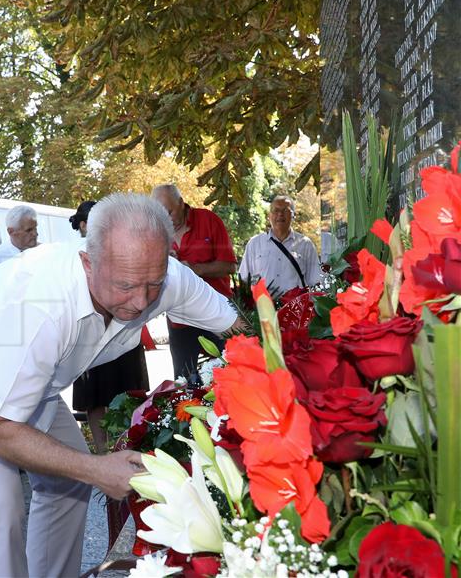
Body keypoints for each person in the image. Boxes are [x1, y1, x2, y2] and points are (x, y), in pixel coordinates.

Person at [0, 193, 240, 577]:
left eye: (153, 285)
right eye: (125, 286)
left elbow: (237, 327)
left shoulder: (165, 276)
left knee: (68, 485)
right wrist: (96, 467)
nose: (140, 302)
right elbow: (0, 432)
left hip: (36, 379)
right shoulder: (43, 304)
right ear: (88, 263)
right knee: (0, 501)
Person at [69, 200, 150, 454]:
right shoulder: (73, 254)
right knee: (95, 397)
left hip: (124, 329)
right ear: (84, 225)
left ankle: (131, 442)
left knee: (129, 390)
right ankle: (104, 451)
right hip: (90, 335)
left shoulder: (120, 244)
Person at [151, 184, 237, 384]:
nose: (165, 219)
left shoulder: (209, 221)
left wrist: (195, 270)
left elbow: (230, 266)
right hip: (180, 318)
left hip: (217, 313)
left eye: (169, 212)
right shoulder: (156, 231)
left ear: (181, 203)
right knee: (184, 382)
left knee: (227, 375)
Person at [239, 195, 321, 294]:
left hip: (295, 307)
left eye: (285, 211)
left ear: (293, 215)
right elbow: (244, 280)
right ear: (269, 216)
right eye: (276, 210)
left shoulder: (305, 245)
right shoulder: (254, 244)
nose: (280, 214)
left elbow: (315, 281)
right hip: (262, 307)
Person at [0, 205, 38, 273]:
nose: (35, 233)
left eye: (35, 228)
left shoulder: (45, 253)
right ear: (11, 231)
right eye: (29, 230)